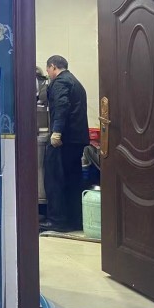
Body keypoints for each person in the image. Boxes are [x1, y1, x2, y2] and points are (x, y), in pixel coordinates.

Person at [40, 55, 89, 232]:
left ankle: (56, 220)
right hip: (76, 139)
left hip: (64, 140)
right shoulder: (75, 81)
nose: (48, 74)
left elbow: (61, 106)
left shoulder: (60, 82)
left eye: (48, 70)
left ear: (53, 67)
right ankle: (74, 220)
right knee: (72, 180)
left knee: (55, 178)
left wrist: (56, 132)